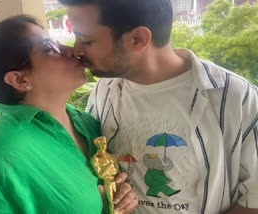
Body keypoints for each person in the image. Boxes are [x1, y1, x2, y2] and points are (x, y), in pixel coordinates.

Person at [58, 0, 258, 213]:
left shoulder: (234, 98)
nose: (76, 49)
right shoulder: (104, 91)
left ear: (138, 39)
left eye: (86, 40)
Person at [0, 15, 138, 214]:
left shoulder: (86, 123)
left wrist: (119, 198)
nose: (72, 50)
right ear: (19, 80)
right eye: (49, 48)